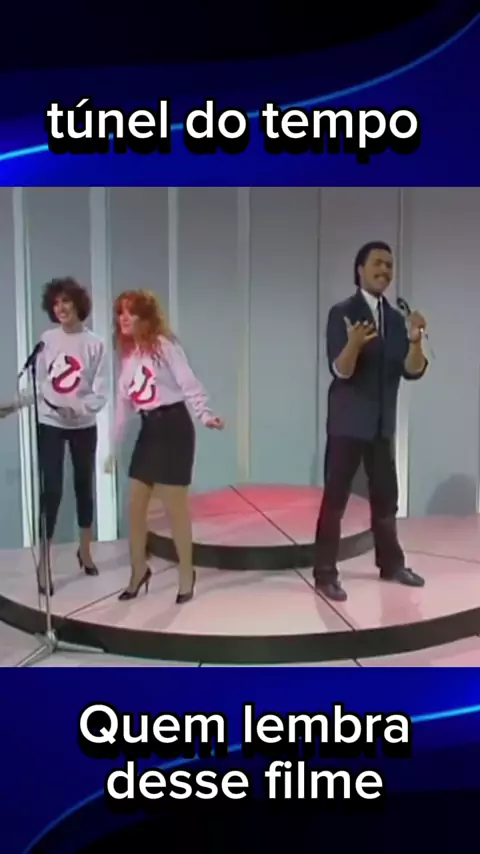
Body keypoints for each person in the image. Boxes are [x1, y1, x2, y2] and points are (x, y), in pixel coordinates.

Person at [314, 241, 428, 602]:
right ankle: (325, 573)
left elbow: (413, 370)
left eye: (390, 265)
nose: (385, 270)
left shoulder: (395, 319)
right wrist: (353, 344)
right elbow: (340, 370)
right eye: (378, 263)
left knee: (386, 500)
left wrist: (415, 341)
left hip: (381, 426)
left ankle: (391, 564)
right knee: (335, 501)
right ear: (360, 269)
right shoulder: (342, 313)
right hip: (347, 424)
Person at [105, 289, 224, 604]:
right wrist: (112, 448)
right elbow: (122, 404)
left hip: (173, 429)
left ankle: (186, 574)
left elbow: (188, 383)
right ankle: (138, 571)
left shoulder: (163, 347)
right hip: (148, 430)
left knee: (175, 510)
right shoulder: (127, 356)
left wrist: (205, 414)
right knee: (134, 507)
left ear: (145, 317)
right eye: (120, 312)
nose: (124, 318)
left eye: (131, 312)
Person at [0, 277, 108, 596]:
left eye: (66, 301)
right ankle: (44, 561)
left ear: (78, 304)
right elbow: (42, 385)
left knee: (84, 486)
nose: (60, 308)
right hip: (50, 422)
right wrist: (13, 404)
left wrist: (80, 408)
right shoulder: (47, 340)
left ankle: (85, 550)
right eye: (56, 303)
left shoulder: (95, 344)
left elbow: (101, 392)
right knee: (51, 489)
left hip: (83, 425)